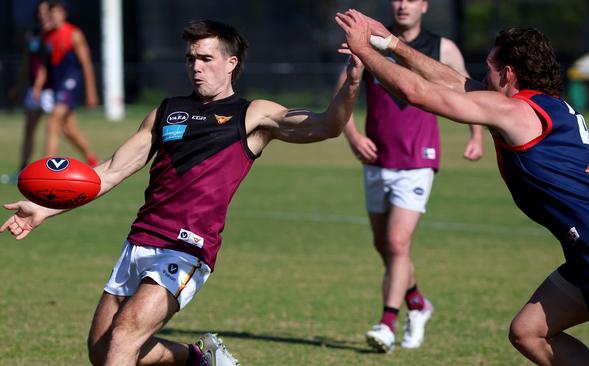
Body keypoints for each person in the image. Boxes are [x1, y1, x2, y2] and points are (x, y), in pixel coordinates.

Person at [1, 19, 362, 366]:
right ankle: (199, 359)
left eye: (206, 58)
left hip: (188, 248)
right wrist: (44, 208)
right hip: (140, 241)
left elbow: (326, 125)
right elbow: (109, 172)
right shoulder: (167, 111)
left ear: (230, 63)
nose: (196, 67)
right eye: (191, 58)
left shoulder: (253, 115)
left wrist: (351, 82)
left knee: (125, 335)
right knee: (101, 350)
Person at [336, 9, 589, 365]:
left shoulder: (514, 113)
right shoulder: (548, 107)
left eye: (489, 67)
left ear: (509, 74)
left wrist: (366, 52)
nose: (483, 76)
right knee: (528, 332)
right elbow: (455, 83)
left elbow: (418, 92)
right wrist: (392, 43)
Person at [333, 0, 483, 352]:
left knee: (398, 244)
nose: (402, 5)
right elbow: (342, 95)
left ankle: (386, 323)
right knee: (383, 245)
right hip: (377, 160)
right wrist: (354, 137)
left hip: (418, 159)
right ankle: (418, 303)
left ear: (424, 5)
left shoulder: (443, 48)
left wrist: (476, 135)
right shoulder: (368, 40)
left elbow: (469, 91)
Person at [33, 0, 99, 167]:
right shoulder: (46, 35)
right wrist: (38, 86)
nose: (52, 16)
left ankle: (45, 167)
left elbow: (86, 64)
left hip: (70, 83)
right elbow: (44, 65)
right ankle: (92, 158)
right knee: (67, 128)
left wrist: (91, 91)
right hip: (57, 84)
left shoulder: (73, 34)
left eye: (55, 12)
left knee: (52, 122)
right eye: (50, 12)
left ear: (63, 13)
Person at [2, 0, 55, 184]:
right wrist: (18, 86)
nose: (43, 14)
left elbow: (46, 66)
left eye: (46, 11)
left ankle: (51, 171)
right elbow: (28, 63)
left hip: (51, 90)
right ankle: (23, 169)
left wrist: (39, 86)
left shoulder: (55, 34)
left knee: (58, 129)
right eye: (40, 10)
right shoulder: (33, 34)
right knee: (29, 129)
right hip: (35, 89)